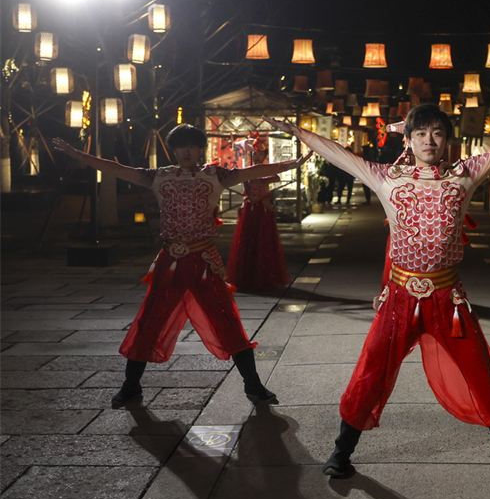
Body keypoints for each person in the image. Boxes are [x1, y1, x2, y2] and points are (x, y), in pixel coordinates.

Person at [263, 84, 490, 483]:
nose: (429, 141)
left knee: (480, 372)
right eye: (421, 133)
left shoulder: (464, 176)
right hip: (399, 298)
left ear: (447, 140)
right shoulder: (384, 178)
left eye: (437, 133)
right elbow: (338, 154)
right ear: (409, 138)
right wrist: (297, 132)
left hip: (448, 300)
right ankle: (341, 452)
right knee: (371, 373)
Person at [53, 127, 310, 407]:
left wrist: (292, 164)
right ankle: (130, 386)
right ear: (173, 150)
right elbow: (117, 169)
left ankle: (254, 385)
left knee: (227, 320)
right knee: (149, 321)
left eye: (192, 146)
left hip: (204, 263)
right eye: (180, 147)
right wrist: (80, 156)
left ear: (200, 149)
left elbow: (252, 171)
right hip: (170, 263)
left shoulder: (215, 175)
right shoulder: (158, 176)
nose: (186, 152)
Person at [226, 134, 292, 291]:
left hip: (262, 207)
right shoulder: (247, 170)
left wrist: (263, 180)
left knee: (264, 240)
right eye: (255, 154)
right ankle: (246, 275)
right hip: (249, 207)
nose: (257, 156)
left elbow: (276, 178)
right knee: (247, 240)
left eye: (261, 154)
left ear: (265, 156)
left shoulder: (266, 170)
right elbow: (236, 179)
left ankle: (265, 275)